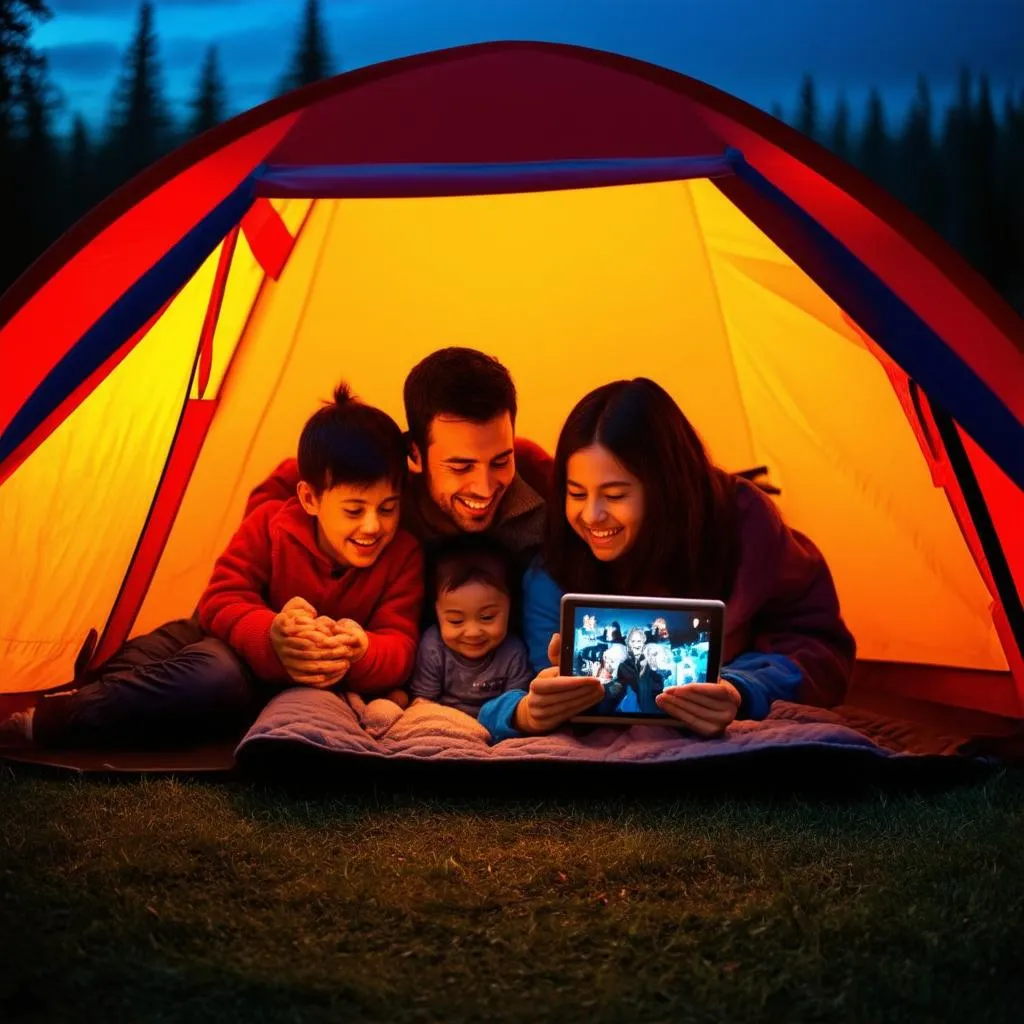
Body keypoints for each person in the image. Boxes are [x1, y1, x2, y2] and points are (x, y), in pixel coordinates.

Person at [3, 384, 423, 748]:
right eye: (354, 510)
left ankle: (57, 718)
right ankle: (93, 693)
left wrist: (360, 649)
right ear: (310, 499)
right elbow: (220, 600)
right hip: (227, 635)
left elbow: (400, 646)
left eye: (388, 508)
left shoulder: (402, 555)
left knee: (213, 679)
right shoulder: (271, 525)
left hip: (236, 669)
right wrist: (271, 633)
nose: (373, 526)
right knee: (135, 663)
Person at [478, 377, 856, 741]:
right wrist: (532, 710)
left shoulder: (739, 521)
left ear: (664, 489)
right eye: (576, 494)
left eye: (615, 495)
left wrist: (741, 690)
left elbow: (819, 648)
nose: (592, 516)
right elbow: (530, 685)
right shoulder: (556, 561)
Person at [245, 347, 550, 680]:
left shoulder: (537, 475)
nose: (484, 487)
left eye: (501, 462)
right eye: (460, 466)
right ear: (414, 456)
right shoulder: (381, 483)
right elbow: (296, 482)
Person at [409, 535, 533, 717]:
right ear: (437, 611)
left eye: (487, 617)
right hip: (444, 722)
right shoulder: (432, 647)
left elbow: (518, 710)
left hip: (495, 728)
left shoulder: (513, 652)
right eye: (456, 620)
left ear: (510, 607)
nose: (473, 632)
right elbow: (423, 703)